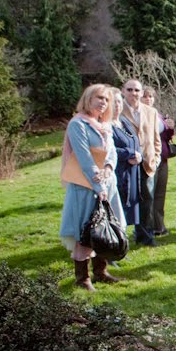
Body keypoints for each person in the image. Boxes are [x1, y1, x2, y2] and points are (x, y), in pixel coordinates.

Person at [59, 84, 125, 291]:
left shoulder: (104, 124)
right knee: (86, 230)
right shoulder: (78, 124)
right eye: (99, 98)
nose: (103, 102)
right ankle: (82, 278)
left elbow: (112, 152)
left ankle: (101, 272)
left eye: (106, 99)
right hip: (85, 186)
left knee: (104, 225)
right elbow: (84, 157)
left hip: (107, 183)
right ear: (88, 99)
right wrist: (98, 185)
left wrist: (108, 168)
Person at [121, 78, 161, 246]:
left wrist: (156, 158)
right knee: (126, 200)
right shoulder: (117, 110)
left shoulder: (151, 112)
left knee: (147, 201)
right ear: (123, 91)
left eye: (137, 90)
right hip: (126, 164)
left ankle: (146, 236)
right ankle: (119, 237)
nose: (133, 93)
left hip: (147, 163)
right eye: (130, 90)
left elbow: (156, 138)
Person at [109, 87, 142, 236]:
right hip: (117, 174)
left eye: (119, 101)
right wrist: (130, 154)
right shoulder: (105, 125)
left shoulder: (123, 122)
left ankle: (121, 239)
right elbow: (108, 150)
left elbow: (135, 142)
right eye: (113, 102)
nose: (117, 105)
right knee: (115, 212)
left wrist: (139, 156)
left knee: (126, 214)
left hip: (131, 174)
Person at [143, 86, 174, 236]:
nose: (148, 99)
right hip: (149, 159)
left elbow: (165, 137)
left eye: (151, 96)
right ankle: (147, 228)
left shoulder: (158, 114)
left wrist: (170, 128)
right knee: (149, 194)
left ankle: (159, 226)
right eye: (145, 96)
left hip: (163, 159)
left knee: (160, 194)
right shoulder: (139, 114)